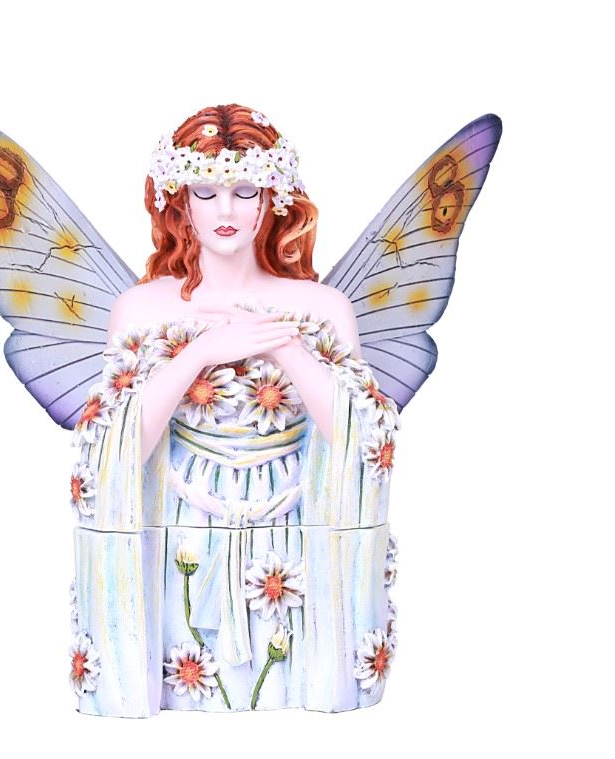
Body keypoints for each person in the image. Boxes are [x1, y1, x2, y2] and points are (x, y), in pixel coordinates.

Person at [70, 105, 398, 717]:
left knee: (284, 666)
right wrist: (200, 353)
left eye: (245, 191)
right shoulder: (141, 309)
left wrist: (287, 347)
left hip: (292, 530)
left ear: (272, 200)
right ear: (179, 202)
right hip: (184, 525)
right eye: (206, 191)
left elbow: (363, 440)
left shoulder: (321, 306)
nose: (226, 209)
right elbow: (112, 447)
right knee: (191, 654)